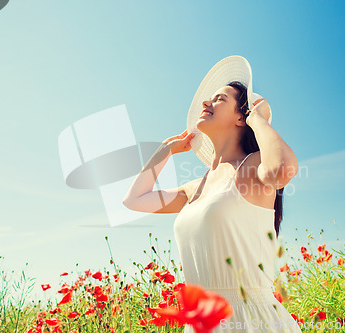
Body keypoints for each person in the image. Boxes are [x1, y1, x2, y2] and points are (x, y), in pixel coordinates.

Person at [123, 61, 301, 332]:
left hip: (250, 319)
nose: (207, 102)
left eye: (219, 99)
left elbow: (283, 169)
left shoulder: (252, 167)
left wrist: (258, 118)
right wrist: (164, 151)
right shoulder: (194, 189)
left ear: (241, 117)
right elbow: (134, 200)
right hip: (204, 321)